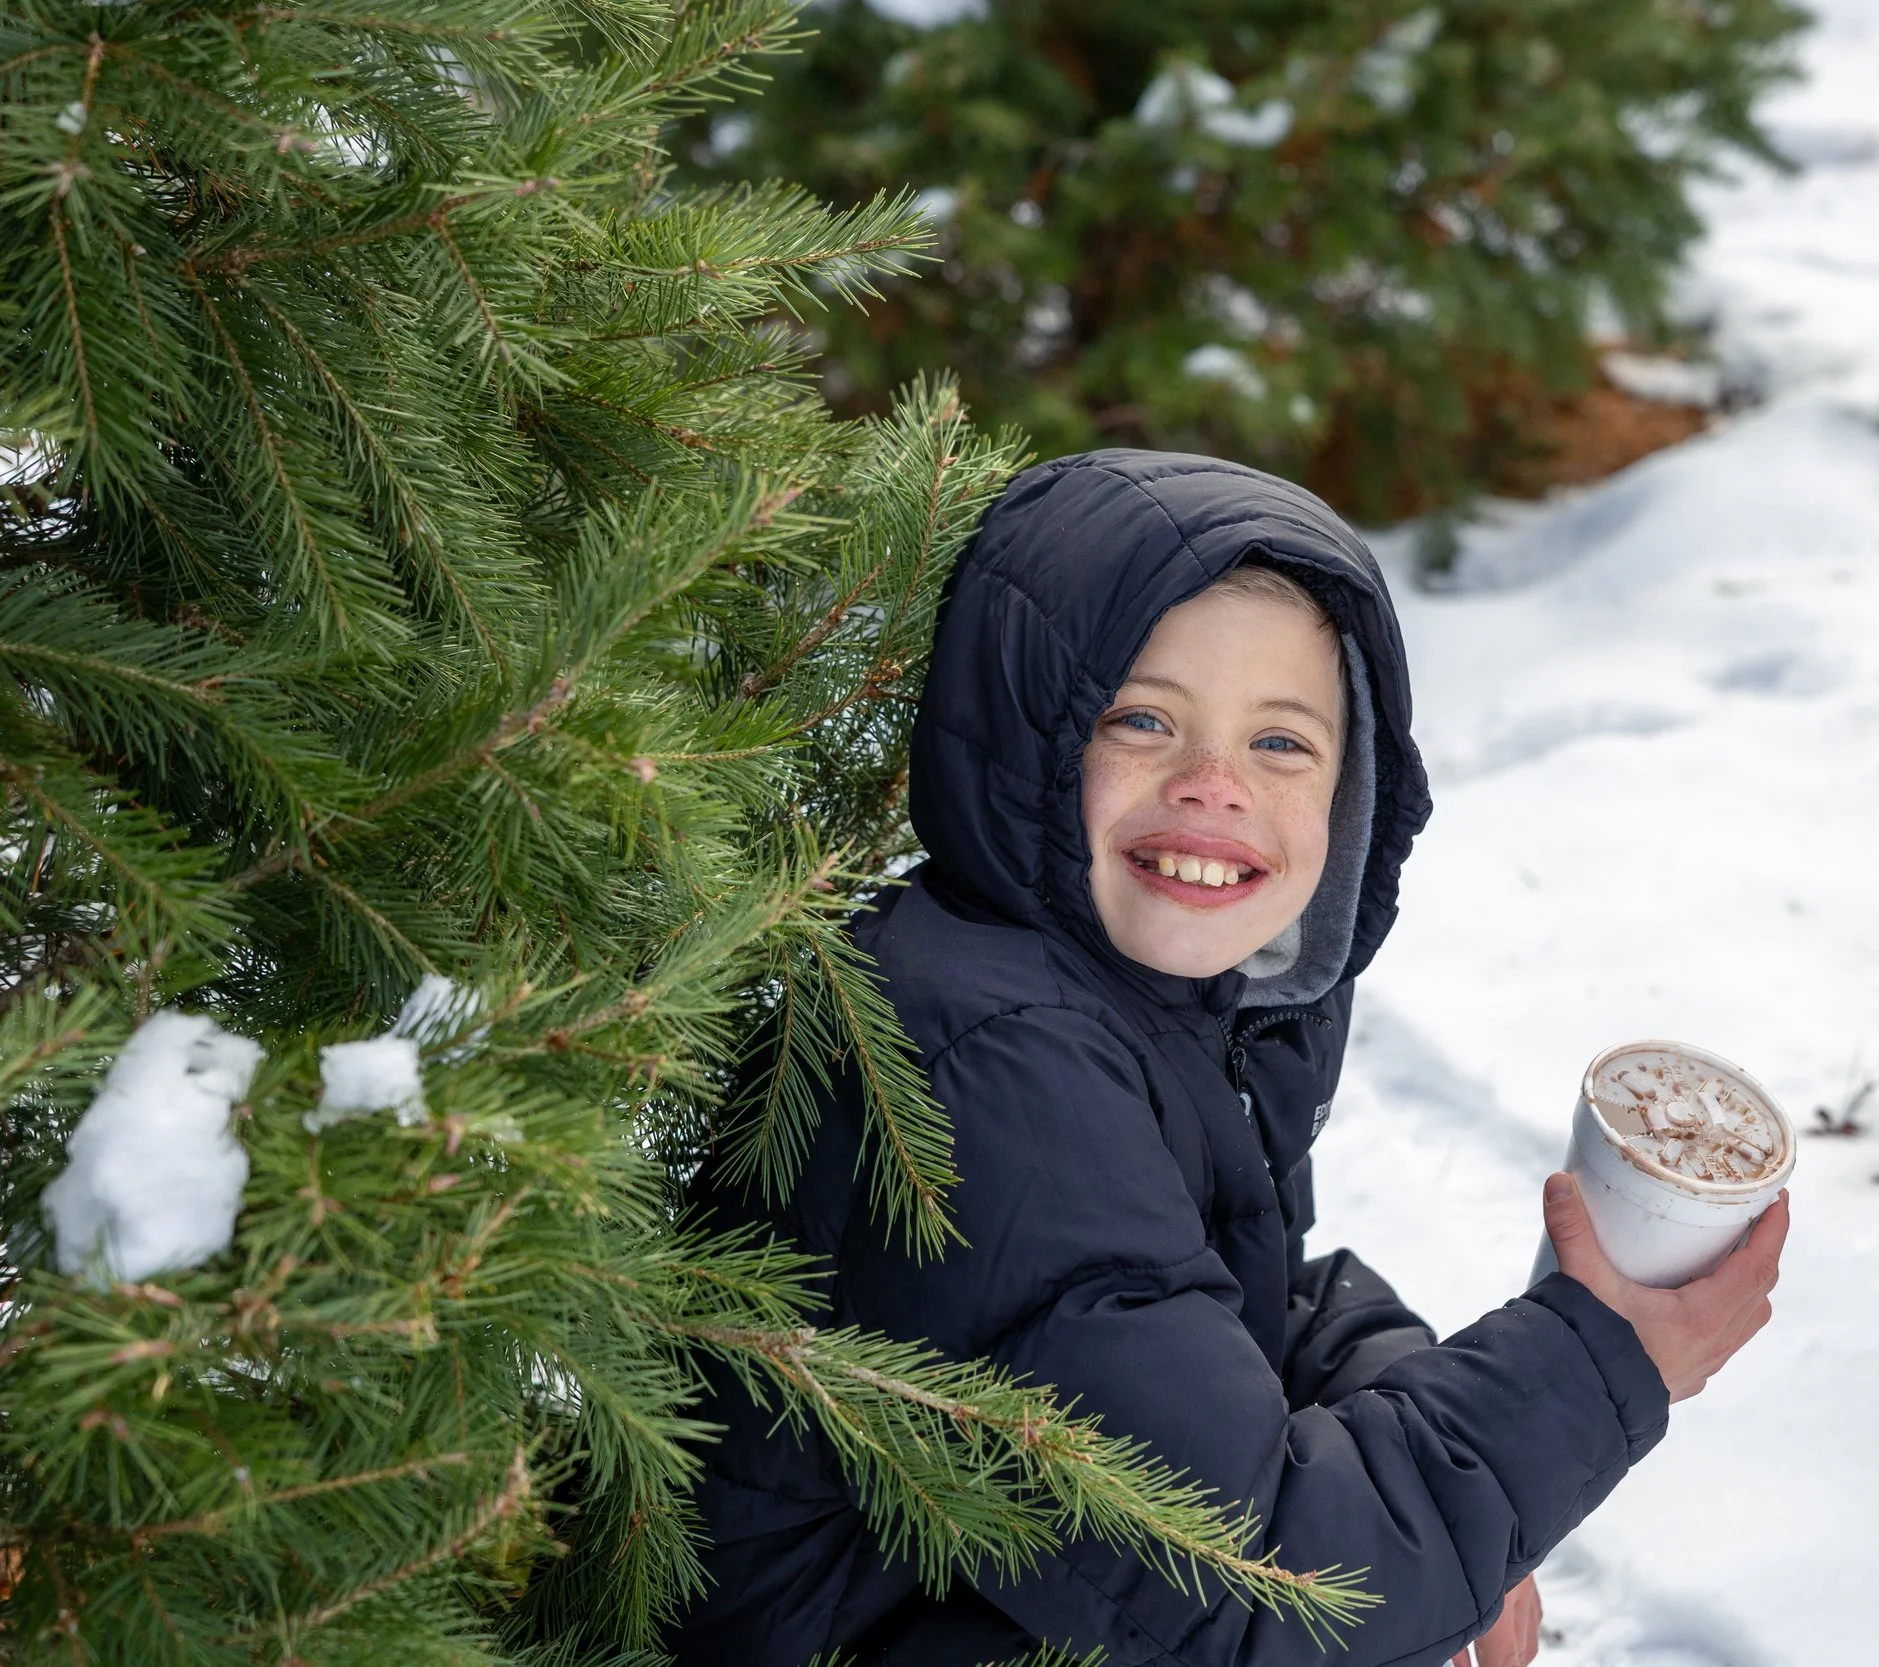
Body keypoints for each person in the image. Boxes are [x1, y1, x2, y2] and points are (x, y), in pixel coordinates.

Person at [669, 451, 1788, 1667]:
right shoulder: (987, 1056)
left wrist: (1410, 1414)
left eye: (1282, 743)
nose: (1214, 787)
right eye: (1142, 719)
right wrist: (1591, 1362)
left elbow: (1203, 1308)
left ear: (1352, 794)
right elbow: (1246, 1576)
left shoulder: (1137, 992)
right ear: (1027, 736)